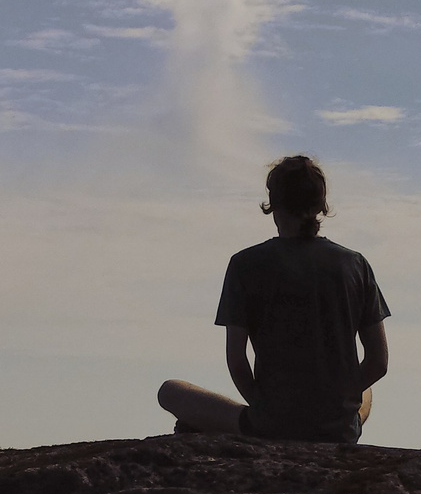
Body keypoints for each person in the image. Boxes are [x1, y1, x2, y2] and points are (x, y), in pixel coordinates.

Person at [157, 156, 390, 443]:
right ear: (320, 206)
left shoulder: (245, 264)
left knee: (169, 390)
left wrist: (265, 407)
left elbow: (237, 359)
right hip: (337, 429)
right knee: (365, 392)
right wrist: (335, 401)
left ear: (274, 205)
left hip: (271, 424)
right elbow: (378, 363)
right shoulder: (355, 265)